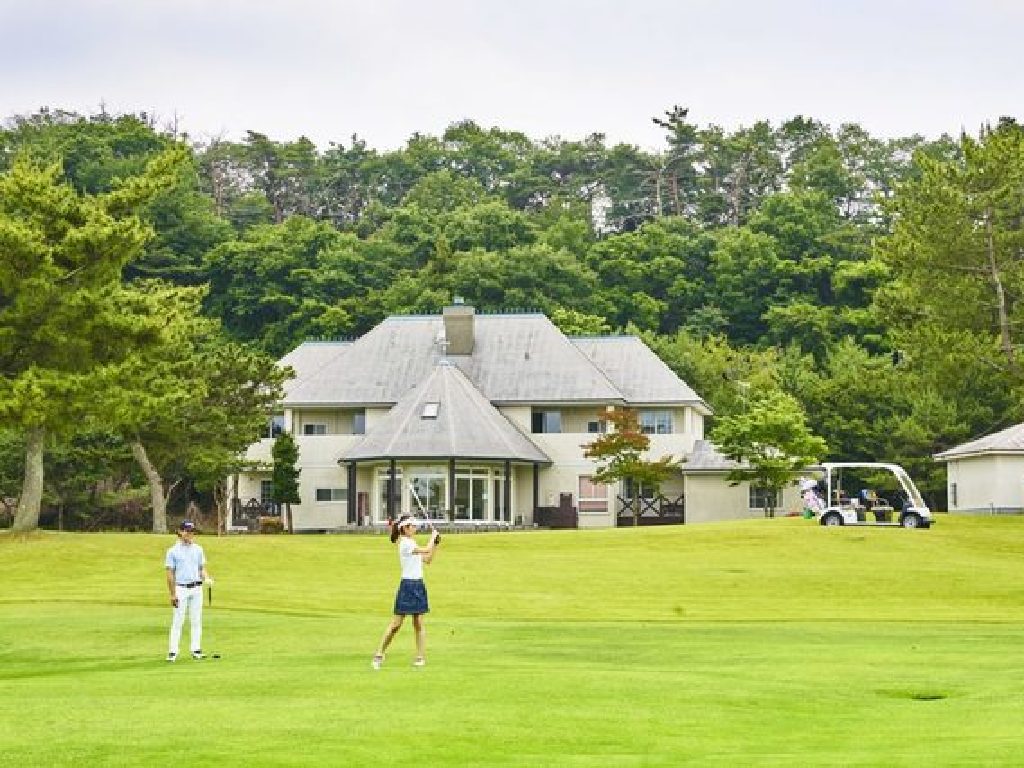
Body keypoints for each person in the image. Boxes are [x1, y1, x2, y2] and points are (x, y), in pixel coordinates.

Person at [371, 515, 440, 670]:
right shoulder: (404, 544)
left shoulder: (412, 542)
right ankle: (379, 654)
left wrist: (435, 544)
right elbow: (426, 549)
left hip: (418, 584)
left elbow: (428, 559)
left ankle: (420, 657)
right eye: (413, 526)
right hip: (407, 586)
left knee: (419, 623)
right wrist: (432, 538)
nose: (415, 528)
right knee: (396, 624)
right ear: (405, 528)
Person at [165, 520, 212, 662]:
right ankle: (173, 651)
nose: (189, 534)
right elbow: (170, 574)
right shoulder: (172, 551)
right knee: (178, 621)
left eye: (191, 531)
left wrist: (207, 578)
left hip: (196, 588)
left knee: (196, 620)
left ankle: (196, 649)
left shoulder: (198, 549)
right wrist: (173, 594)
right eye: (186, 531)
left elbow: (201, 568)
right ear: (180, 532)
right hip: (181, 588)